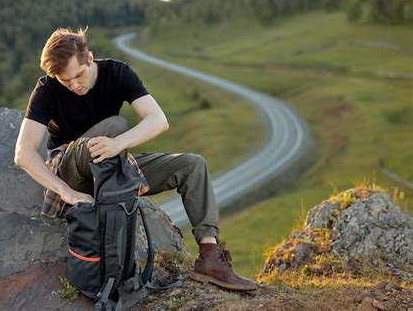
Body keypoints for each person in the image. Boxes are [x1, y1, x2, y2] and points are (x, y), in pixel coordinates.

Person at [14, 27, 257, 291]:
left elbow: (158, 120)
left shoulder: (117, 73)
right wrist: (66, 191)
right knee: (116, 124)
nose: (74, 85)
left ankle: (210, 258)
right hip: (74, 171)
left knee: (193, 165)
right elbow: (23, 153)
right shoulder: (47, 89)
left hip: (114, 161)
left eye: (78, 75)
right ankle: (113, 181)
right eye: (65, 81)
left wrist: (119, 144)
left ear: (90, 58)